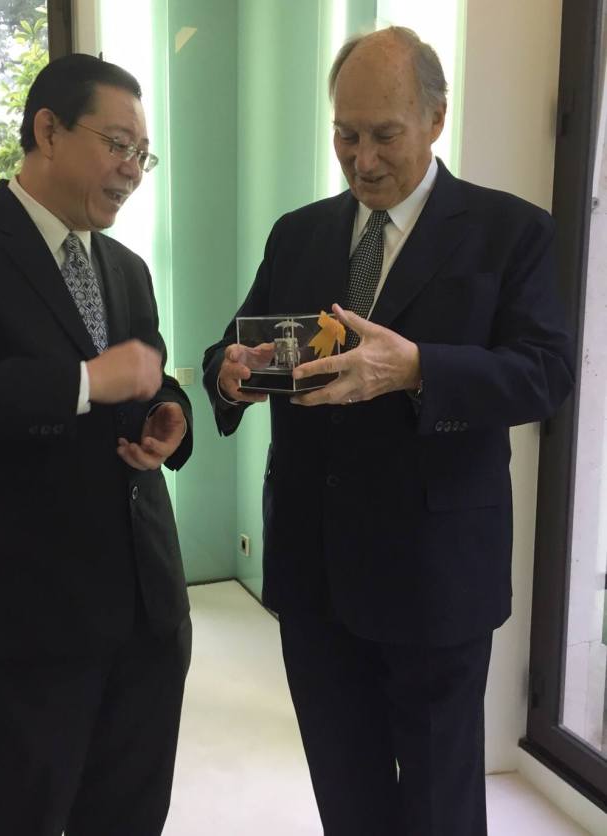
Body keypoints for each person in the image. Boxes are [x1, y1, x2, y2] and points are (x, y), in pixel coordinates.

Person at [203, 26, 573, 836]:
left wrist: (417, 369)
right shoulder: (297, 232)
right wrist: (230, 373)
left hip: (435, 576)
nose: (362, 159)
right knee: (345, 784)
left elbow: (546, 374)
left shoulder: (510, 232)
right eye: (345, 134)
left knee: (440, 798)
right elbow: (234, 343)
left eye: (384, 136)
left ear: (436, 120)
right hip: (313, 566)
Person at [0, 54, 192, 836]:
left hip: (149, 607)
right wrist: (82, 381)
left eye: (141, 153)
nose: (132, 170)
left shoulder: (127, 268)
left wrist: (171, 415)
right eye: (117, 144)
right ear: (47, 130)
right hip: (28, 616)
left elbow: (148, 375)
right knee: (12, 812)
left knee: (127, 814)